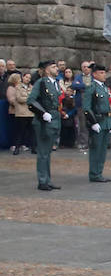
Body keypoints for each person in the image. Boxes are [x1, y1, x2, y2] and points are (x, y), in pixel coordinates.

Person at [26, 60, 62, 191]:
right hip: (43, 122)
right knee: (43, 152)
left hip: (54, 120)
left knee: (48, 152)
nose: (56, 69)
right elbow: (31, 100)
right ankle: (42, 180)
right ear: (47, 70)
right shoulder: (41, 82)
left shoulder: (56, 83)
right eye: (53, 67)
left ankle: (47, 179)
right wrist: (43, 113)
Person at [82, 63, 111, 183]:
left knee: (103, 149)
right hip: (97, 121)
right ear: (94, 74)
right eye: (101, 72)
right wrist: (93, 122)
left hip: (106, 120)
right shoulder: (91, 87)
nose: (104, 75)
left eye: (104, 72)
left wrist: (110, 123)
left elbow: (108, 106)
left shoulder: (104, 87)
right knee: (96, 149)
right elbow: (86, 107)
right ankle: (94, 173)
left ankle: (99, 172)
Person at [7, 73, 33, 155]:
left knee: (32, 131)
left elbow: (34, 97)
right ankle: (17, 148)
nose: (28, 79)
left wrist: (29, 98)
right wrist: (29, 98)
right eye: (26, 77)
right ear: (23, 77)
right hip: (21, 112)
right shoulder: (18, 87)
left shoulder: (32, 87)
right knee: (20, 131)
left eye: (29, 78)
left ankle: (33, 147)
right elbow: (19, 98)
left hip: (31, 112)